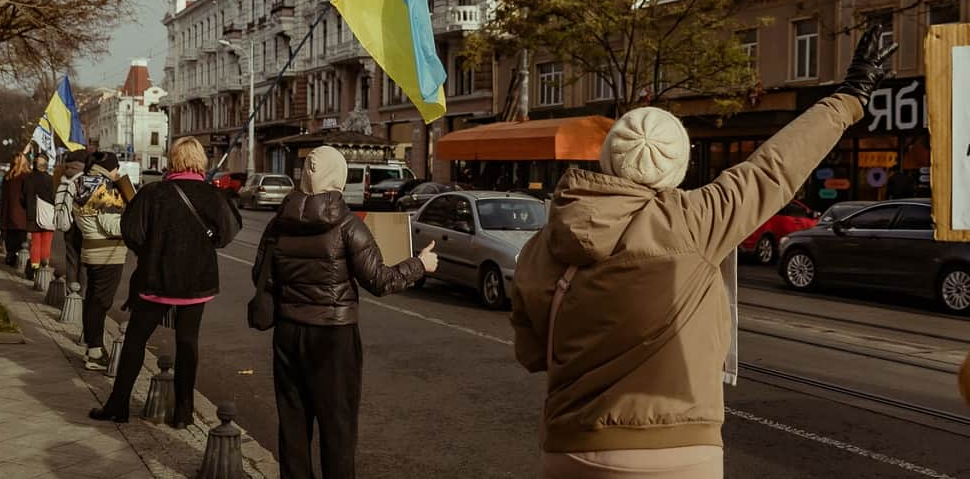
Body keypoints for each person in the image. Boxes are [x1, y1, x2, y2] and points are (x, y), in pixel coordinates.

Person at [510, 27, 896, 479]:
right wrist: (850, 96)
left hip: (572, 448)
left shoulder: (546, 243)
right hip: (679, 449)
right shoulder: (696, 220)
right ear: (678, 169)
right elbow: (775, 166)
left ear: (608, 159)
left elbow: (532, 355)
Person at [257, 146, 437, 479]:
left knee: (293, 425)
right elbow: (380, 280)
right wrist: (419, 265)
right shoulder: (347, 225)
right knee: (337, 428)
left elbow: (261, 276)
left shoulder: (277, 223)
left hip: (287, 333)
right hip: (333, 337)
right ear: (338, 178)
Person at [90, 137, 241, 425]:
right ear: (199, 161)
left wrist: (150, 251)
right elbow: (227, 233)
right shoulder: (211, 195)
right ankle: (183, 414)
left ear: (173, 160)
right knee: (187, 344)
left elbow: (131, 231)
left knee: (136, 340)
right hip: (196, 282)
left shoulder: (154, 193)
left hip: (156, 280)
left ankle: (118, 405)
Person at [73, 151, 127, 371]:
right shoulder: (105, 189)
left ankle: (90, 344)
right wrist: (131, 219)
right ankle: (95, 352)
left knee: (92, 298)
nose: (118, 173)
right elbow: (113, 225)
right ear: (110, 168)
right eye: (116, 168)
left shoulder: (83, 182)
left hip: (90, 248)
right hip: (107, 252)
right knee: (101, 302)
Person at [54, 150, 88, 294]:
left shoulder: (63, 178)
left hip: (67, 224)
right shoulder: (84, 180)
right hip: (82, 225)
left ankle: (70, 293)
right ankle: (80, 296)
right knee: (84, 262)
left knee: (71, 260)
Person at [23, 155, 56, 272]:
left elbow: (23, 198)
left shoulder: (28, 178)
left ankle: (34, 268)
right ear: (46, 166)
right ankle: (44, 266)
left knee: (35, 243)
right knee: (46, 242)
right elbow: (54, 198)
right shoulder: (51, 179)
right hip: (48, 215)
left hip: (32, 215)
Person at [0, 153, 30, 268]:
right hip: (22, 215)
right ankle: (17, 259)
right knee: (21, 240)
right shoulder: (26, 177)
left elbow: (3, 198)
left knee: (10, 238)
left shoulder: (7, 177)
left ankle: (10, 256)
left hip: (9, 213)